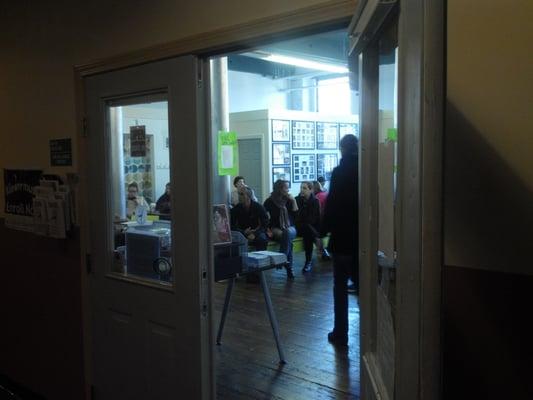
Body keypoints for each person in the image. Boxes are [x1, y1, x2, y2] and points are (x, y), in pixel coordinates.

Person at [320, 134, 359, 347]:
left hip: (342, 238)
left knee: (340, 287)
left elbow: (332, 203)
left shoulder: (339, 172)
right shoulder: (365, 170)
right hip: (361, 238)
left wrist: (323, 230)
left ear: (342, 149)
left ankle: (340, 332)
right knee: (363, 286)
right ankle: (372, 332)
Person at [263, 179, 298, 280]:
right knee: (288, 241)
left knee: (287, 233)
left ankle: (281, 260)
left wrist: (294, 201)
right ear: (279, 189)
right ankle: (289, 269)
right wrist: (267, 229)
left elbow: (297, 217)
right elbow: (264, 217)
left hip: (291, 227)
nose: (288, 190)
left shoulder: (290, 200)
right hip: (276, 228)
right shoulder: (269, 201)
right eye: (286, 188)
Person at [230, 186, 269, 251]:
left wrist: (255, 234)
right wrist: (243, 232)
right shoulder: (236, 209)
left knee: (262, 239)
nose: (239, 196)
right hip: (242, 233)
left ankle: (261, 259)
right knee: (234, 240)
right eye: (239, 194)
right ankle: (240, 260)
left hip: (257, 232)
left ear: (249, 196)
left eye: (242, 194)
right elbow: (232, 226)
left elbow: (265, 224)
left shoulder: (259, 207)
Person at [295, 182, 321, 273]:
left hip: (309, 228)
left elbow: (314, 219)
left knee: (308, 232)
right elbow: (296, 217)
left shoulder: (315, 201)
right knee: (307, 228)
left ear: (311, 190)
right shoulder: (296, 200)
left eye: (304, 188)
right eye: (301, 187)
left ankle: (308, 262)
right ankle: (318, 243)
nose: (302, 190)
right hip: (298, 227)